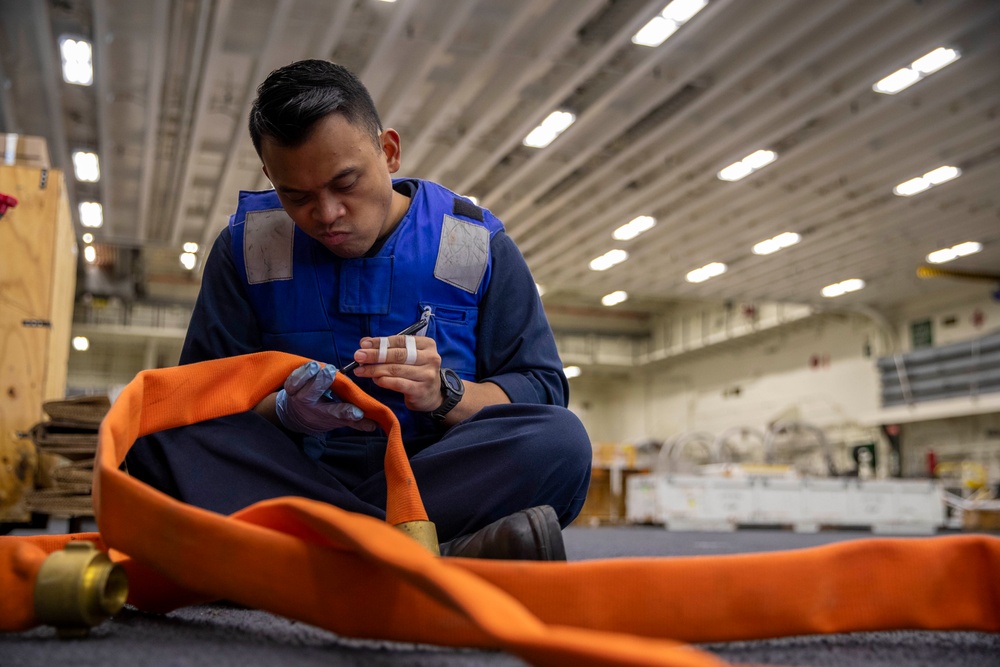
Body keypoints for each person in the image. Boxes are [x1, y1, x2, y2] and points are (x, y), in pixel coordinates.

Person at [125, 59, 592, 560]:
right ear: (269, 176)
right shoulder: (249, 247)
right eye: (296, 195)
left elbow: (540, 389)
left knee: (560, 441)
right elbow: (199, 395)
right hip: (294, 473)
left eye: (345, 183)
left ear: (389, 152)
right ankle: (423, 554)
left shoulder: (471, 244)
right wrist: (285, 412)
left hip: (432, 475)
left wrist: (445, 394)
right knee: (154, 434)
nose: (326, 215)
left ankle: (301, 554)